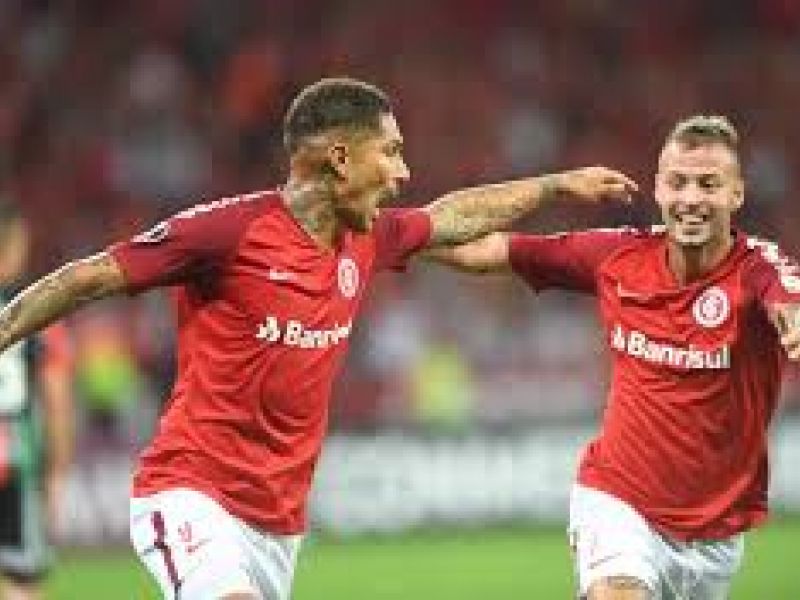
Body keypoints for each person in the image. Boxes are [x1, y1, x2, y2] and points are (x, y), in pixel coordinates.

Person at [0, 77, 636, 600]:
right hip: (191, 493)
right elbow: (89, 277)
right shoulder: (228, 233)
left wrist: (554, 186)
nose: (403, 171)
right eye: (391, 151)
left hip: (277, 524)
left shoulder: (369, 238)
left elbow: (452, 217)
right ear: (340, 158)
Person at [429, 115, 800, 599]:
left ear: (736, 194)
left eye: (708, 185)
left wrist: (791, 320)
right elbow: (482, 252)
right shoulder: (619, 256)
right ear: (659, 189)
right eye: (678, 183)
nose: (691, 198)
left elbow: (787, 299)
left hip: (716, 535)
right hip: (619, 501)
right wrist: (399, 235)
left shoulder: (760, 268)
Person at [0, 199, 73, 600]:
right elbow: (57, 400)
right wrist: (58, 471)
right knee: (22, 579)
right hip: (17, 457)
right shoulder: (37, 312)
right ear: (12, 247)